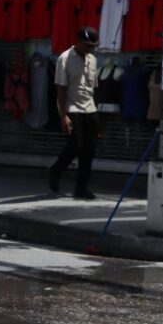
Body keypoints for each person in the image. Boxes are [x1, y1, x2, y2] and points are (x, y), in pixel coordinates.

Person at [49, 26, 101, 200]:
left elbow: (94, 88)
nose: (90, 49)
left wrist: (97, 116)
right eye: (87, 45)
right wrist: (63, 115)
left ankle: (81, 189)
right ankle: (55, 170)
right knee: (76, 145)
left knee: (89, 151)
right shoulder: (64, 59)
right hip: (72, 108)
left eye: (93, 46)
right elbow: (61, 90)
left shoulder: (93, 59)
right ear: (77, 42)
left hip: (90, 108)